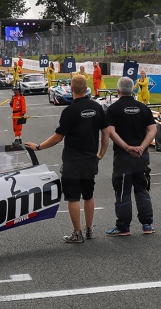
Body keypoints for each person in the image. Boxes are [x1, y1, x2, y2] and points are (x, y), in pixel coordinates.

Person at [28, 75, 107, 243]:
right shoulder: (96, 107)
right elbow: (106, 132)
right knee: (88, 195)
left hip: (72, 160)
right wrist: (101, 152)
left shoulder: (69, 111)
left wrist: (39, 146)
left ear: (71, 89)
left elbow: (58, 137)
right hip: (91, 158)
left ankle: (77, 233)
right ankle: (89, 229)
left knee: (72, 197)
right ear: (86, 88)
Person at [103, 76, 157, 236]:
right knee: (142, 189)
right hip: (141, 157)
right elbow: (153, 130)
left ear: (118, 90)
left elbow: (110, 132)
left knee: (122, 192)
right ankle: (147, 224)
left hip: (123, 158)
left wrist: (127, 147)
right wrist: (141, 147)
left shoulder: (112, 109)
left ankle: (123, 227)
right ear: (133, 89)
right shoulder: (143, 108)